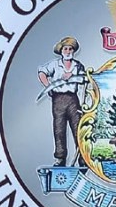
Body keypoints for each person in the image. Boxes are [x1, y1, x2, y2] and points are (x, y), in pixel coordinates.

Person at [37, 35, 88, 166]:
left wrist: (73, 76)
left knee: (78, 128)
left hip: (73, 99)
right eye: (65, 49)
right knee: (59, 129)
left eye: (70, 49)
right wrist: (48, 85)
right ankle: (60, 158)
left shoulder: (78, 66)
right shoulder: (54, 65)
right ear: (61, 51)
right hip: (58, 100)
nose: (68, 51)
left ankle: (82, 157)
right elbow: (42, 72)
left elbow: (85, 79)